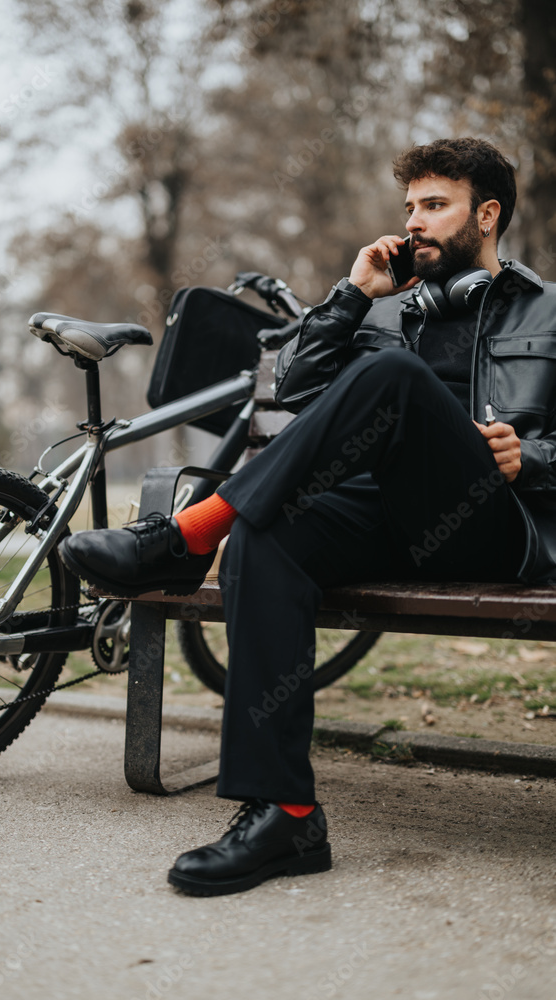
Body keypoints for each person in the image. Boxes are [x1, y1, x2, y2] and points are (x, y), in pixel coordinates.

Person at [59, 137, 556, 897]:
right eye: (408, 208)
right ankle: (283, 814)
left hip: (495, 524)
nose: (413, 222)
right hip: (387, 516)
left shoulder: (549, 312)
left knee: (389, 375)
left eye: (434, 206)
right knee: (268, 536)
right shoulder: (389, 313)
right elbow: (291, 389)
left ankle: (190, 533)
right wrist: (353, 294)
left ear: (485, 215)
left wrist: (534, 456)